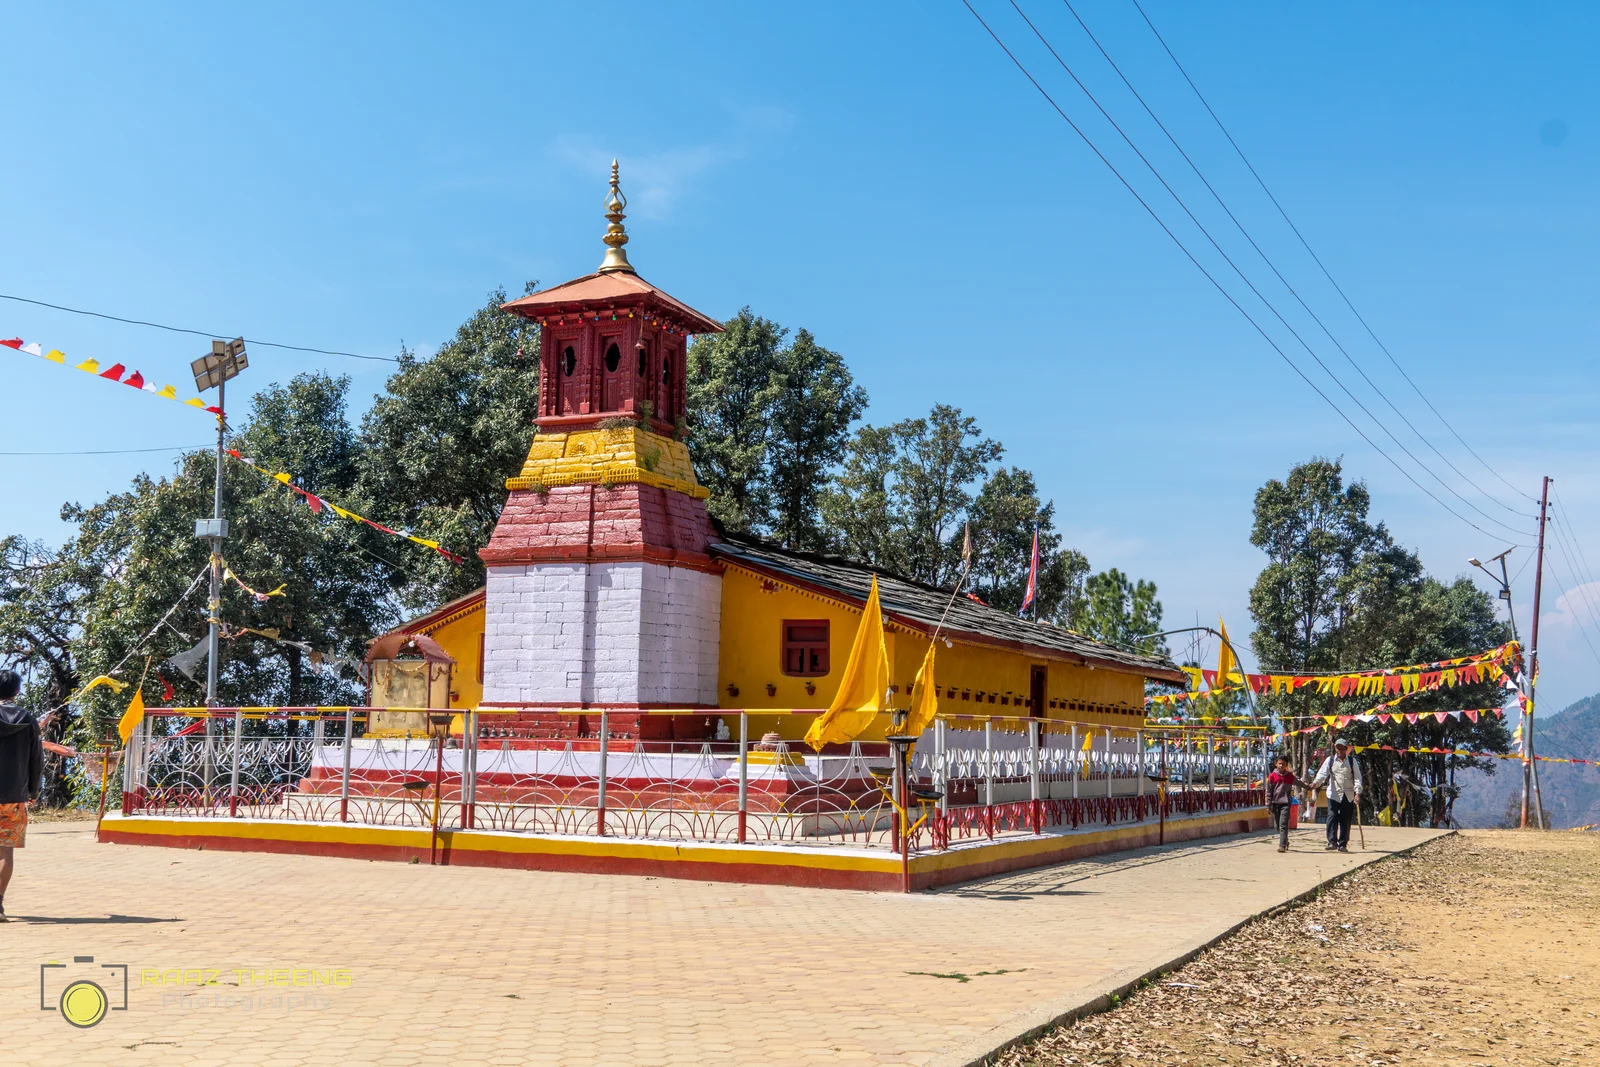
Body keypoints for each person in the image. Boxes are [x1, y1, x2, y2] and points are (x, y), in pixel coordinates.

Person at [0, 669, 43, 921]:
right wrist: (33, 790)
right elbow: (36, 757)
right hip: (13, 797)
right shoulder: (27, 719)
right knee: (5, 852)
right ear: (17, 691)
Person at [1311, 737, 1363, 852]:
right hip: (1333, 794)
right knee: (1332, 817)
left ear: (1346, 749)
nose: (1339, 751)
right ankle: (1331, 842)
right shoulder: (1330, 760)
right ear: (1335, 749)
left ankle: (1343, 844)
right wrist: (1315, 783)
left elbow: (1357, 778)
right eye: (1337, 748)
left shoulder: (1351, 761)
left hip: (1348, 794)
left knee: (1345, 819)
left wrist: (1357, 793)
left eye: (1341, 748)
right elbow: (1322, 774)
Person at [1266, 754, 1298, 852]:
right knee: (1277, 826)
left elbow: (1299, 782)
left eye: (1283, 764)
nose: (1281, 766)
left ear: (1286, 765)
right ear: (1276, 764)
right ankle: (1285, 840)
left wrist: (1309, 786)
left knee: (1283, 824)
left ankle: (1282, 845)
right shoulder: (1272, 776)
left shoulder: (1289, 776)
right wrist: (1268, 804)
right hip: (1275, 803)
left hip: (1285, 803)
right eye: (1279, 764)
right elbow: (1268, 791)